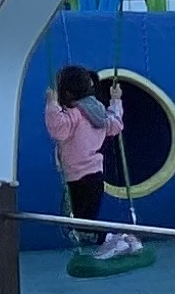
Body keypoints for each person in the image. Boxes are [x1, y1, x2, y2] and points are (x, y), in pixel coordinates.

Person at [44, 65, 141, 261]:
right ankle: (124, 239)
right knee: (87, 221)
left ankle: (112, 240)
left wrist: (51, 104)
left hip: (77, 178)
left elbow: (58, 130)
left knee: (78, 225)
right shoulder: (98, 111)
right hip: (96, 176)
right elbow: (115, 125)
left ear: (67, 92)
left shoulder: (74, 115)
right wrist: (115, 100)